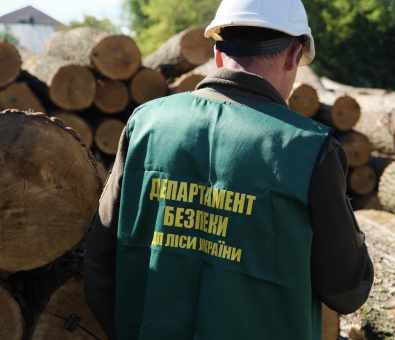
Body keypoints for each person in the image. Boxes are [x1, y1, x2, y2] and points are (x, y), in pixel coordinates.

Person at [84, 0, 373, 339]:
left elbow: (99, 261)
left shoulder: (145, 123)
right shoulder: (309, 148)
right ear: (294, 54)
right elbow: (348, 289)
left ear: (218, 52)